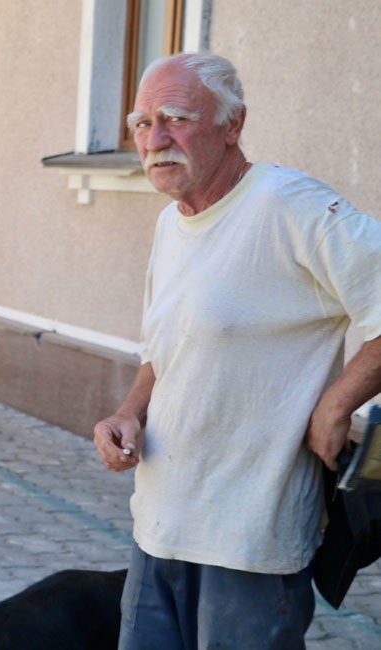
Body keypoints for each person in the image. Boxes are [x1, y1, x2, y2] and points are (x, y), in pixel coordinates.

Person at [92, 52, 381, 649]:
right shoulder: (171, 223)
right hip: (160, 525)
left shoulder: (288, 203)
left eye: (176, 118)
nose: (155, 140)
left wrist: (336, 405)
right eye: (142, 123)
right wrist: (128, 413)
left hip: (250, 541)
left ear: (233, 124)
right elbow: (164, 352)